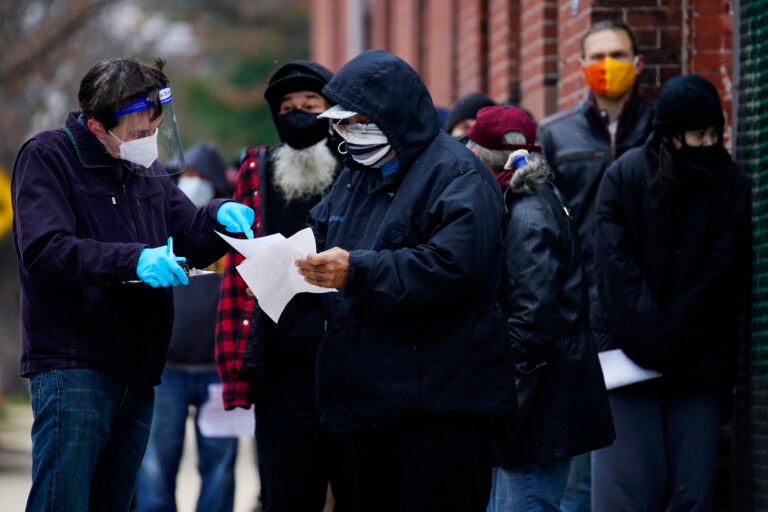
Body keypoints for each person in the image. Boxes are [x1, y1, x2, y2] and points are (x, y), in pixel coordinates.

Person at [11, 56, 254, 511]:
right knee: (63, 499)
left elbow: (187, 232)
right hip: (73, 364)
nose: (149, 142)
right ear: (97, 126)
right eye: (139, 133)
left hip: (137, 372)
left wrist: (219, 216)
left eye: (154, 130)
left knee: (116, 502)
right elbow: (46, 250)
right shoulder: (48, 157)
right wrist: (134, 259)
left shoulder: (146, 172)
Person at [294, 49, 517, 512]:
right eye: (340, 124)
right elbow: (320, 233)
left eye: (355, 122)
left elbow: (449, 268)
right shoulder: (358, 174)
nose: (346, 136)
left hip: (438, 410)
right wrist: (285, 265)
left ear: (389, 116)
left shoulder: (457, 175)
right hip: (368, 404)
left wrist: (356, 271)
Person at [591, 74, 750, 511]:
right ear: (672, 134)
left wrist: (664, 338)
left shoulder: (730, 184)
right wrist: (661, 338)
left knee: (690, 493)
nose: (708, 144)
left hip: (689, 365)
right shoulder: (625, 178)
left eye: (714, 134)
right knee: (626, 494)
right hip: (633, 363)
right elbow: (614, 271)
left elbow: (721, 278)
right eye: (698, 134)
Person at [464, 105, 614, 511]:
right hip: (538, 402)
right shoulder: (526, 202)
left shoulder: (526, 213)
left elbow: (531, 324)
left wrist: (499, 394)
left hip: (535, 409)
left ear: (479, 155)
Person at [215, 60, 343, 512]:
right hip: (282, 370)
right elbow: (237, 266)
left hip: (349, 364)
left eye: (311, 105)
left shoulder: (355, 167)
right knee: (286, 494)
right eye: (288, 107)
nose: (298, 113)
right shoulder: (259, 167)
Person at [536, 20, 653, 509]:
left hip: (645, 312)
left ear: (639, 62)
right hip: (580, 316)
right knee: (581, 467)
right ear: (581, 66)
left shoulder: (658, 127)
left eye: (620, 54)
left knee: (639, 463)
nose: (610, 66)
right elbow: (542, 228)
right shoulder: (555, 135)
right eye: (599, 56)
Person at [135, 142, 239, 512]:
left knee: (220, 466)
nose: (191, 183)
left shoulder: (230, 232)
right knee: (154, 467)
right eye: (187, 176)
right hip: (168, 371)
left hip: (219, 372)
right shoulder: (164, 226)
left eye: (200, 177)